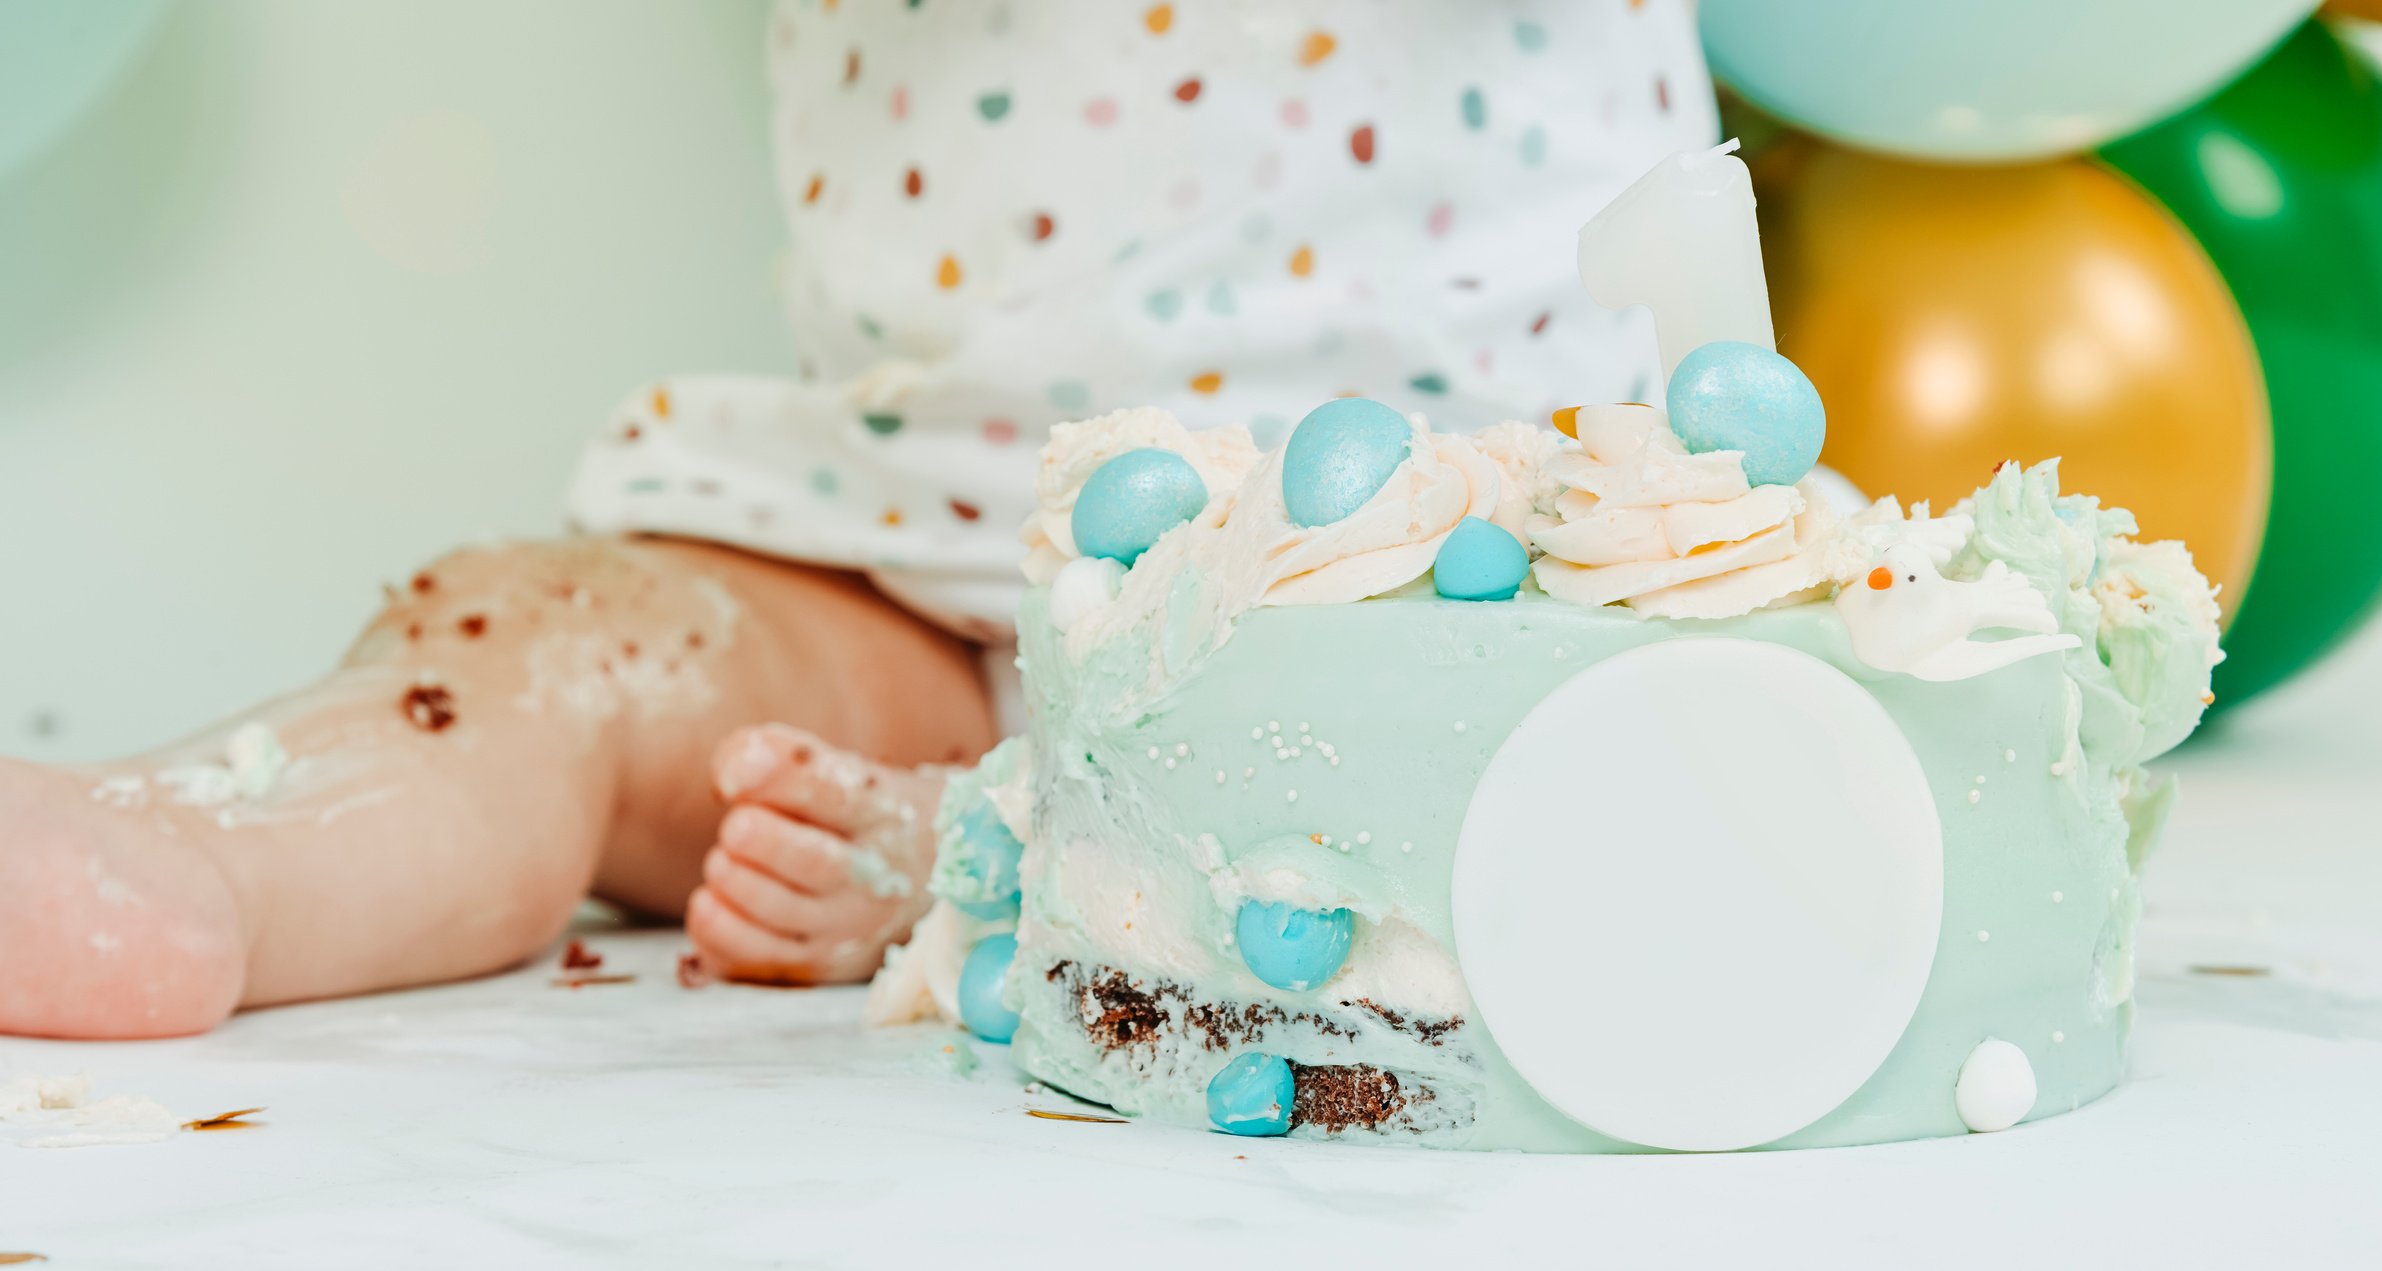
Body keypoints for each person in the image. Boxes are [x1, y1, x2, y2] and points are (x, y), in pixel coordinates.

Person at [0, 0, 1713, 1038]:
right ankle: (215, 840)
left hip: (1498, 544)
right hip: (928, 560)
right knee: (546, 635)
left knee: (1659, 772)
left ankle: (994, 860)